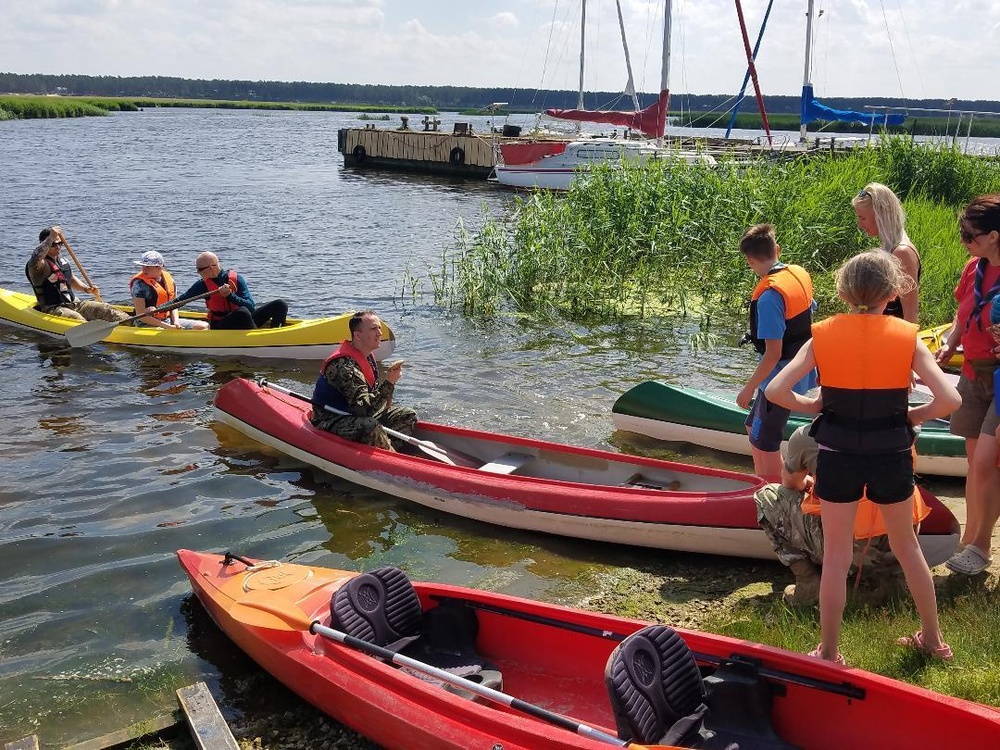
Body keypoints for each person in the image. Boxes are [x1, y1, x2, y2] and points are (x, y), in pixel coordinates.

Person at [766, 250, 960, 665]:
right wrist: (912, 415)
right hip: (891, 453)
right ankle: (933, 639)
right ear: (892, 291)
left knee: (836, 556)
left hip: (838, 453)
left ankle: (830, 651)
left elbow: (775, 392)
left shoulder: (823, 334)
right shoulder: (907, 335)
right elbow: (950, 399)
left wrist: (814, 405)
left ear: (842, 290)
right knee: (908, 547)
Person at [755, 424, 931, 606]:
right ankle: (896, 581)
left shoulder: (808, 434)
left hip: (850, 553)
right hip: (901, 546)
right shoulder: (903, 426)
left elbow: (790, 483)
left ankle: (808, 582)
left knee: (767, 497)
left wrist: (809, 480)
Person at [935, 194, 1000, 576]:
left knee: (986, 462)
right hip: (973, 375)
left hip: (999, 379)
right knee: (976, 466)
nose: (964, 241)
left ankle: (979, 545)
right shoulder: (974, 268)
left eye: (970, 235)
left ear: (994, 236)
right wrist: (950, 343)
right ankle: (970, 543)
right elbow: (963, 314)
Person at [736, 224, 817, 482]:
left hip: (780, 379)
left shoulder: (770, 297)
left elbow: (773, 354)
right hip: (802, 368)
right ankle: (774, 479)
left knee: (765, 441)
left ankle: (773, 492)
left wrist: (748, 388)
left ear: (750, 261)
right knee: (752, 427)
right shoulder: (798, 274)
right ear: (777, 250)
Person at [310, 310, 415, 450]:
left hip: (353, 414)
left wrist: (391, 383)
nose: (379, 333)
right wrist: (389, 382)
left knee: (407, 415)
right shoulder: (345, 366)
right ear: (358, 335)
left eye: (379, 328)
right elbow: (365, 411)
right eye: (373, 329)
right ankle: (392, 457)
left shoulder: (367, 357)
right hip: (330, 419)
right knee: (369, 425)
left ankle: (386, 449)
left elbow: (375, 400)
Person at [25, 226, 130, 324]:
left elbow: (70, 279)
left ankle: (132, 325)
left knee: (108, 310)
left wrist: (86, 289)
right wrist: (50, 237)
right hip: (53, 308)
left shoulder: (62, 260)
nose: (58, 247)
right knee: (79, 320)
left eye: (60, 243)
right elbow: (35, 257)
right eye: (53, 244)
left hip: (75, 304)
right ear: (44, 243)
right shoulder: (37, 265)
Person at [852, 183, 921, 322]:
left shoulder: (901, 252)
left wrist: (909, 341)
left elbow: (910, 309)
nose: (859, 224)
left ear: (881, 215)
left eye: (863, 218)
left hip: (893, 334)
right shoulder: (890, 246)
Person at [174, 251, 288, 330]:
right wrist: (157, 309)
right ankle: (258, 339)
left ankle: (276, 333)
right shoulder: (202, 285)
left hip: (243, 318)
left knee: (280, 304)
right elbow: (181, 300)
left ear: (211, 268)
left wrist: (230, 295)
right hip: (220, 324)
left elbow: (251, 307)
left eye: (199, 269)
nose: (198, 272)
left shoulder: (237, 279)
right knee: (242, 313)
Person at [129, 250, 209, 330]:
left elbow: (173, 306)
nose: (144, 269)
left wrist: (176, 322)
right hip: (145, 324)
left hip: (165, 320)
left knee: (204, 326)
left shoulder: (169, 280)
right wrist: (168, 327)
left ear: (159, 267)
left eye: (148, 267)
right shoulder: (139, 285)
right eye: (143, 266)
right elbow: (142, 316)